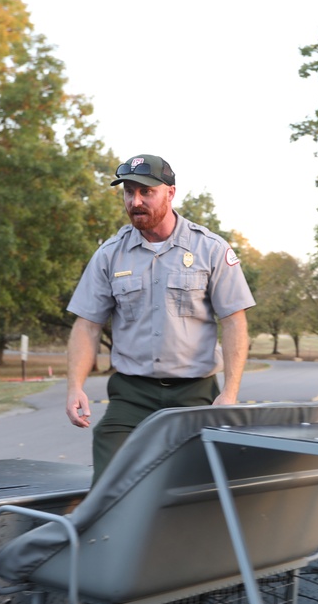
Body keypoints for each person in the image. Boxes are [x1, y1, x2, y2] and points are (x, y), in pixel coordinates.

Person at [65, 154, 255, 482]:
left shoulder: (210, 249)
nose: (135, 201)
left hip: (194, 393)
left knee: (197, 486)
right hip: (131, 394)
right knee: (110, 481)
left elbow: (234, 321)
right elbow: (87, 325)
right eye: (128, 192)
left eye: (145, 192)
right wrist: (75, 387)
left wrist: (230, 392)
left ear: (170, 193)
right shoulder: (110, 254)